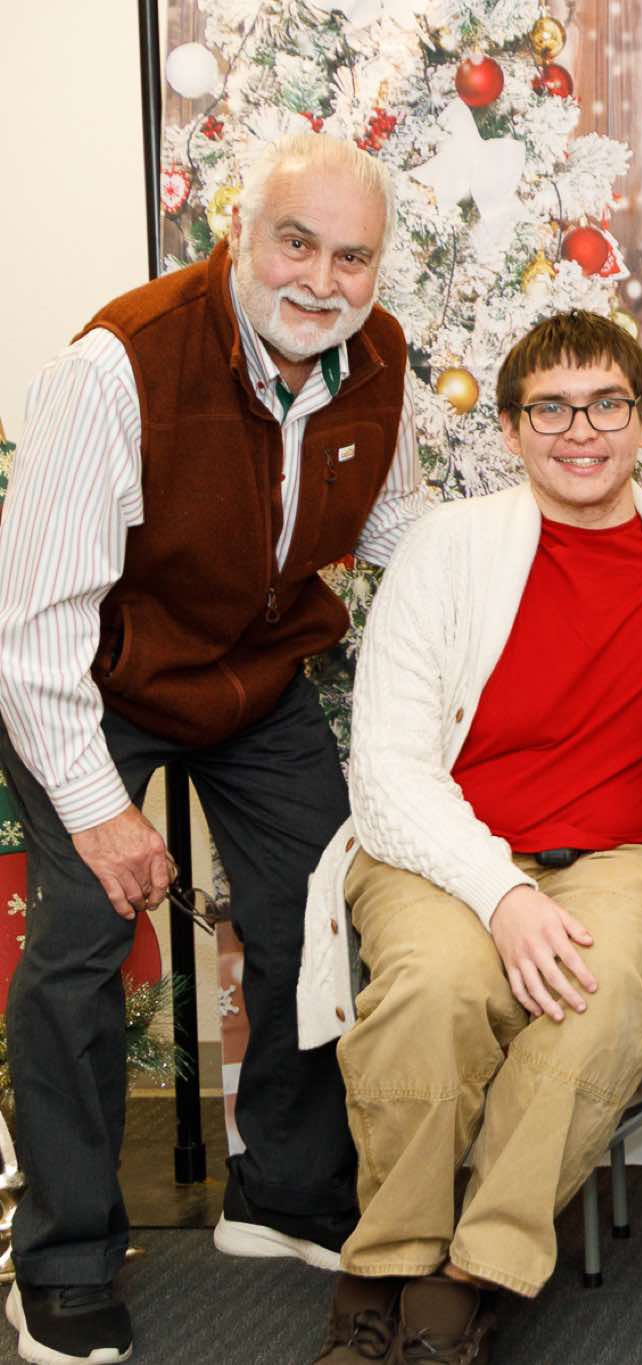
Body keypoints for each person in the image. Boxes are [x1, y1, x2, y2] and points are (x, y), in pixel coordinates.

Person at [0, 131, 423, 1364]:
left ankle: (283, 1192)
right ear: (238, 232)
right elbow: (32, 631)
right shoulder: (115, 367)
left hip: (252, 670)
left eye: (352, 257)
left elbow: (398, 530)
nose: (322, 281)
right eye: (296, 243)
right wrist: (101, 814)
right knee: (79, 947)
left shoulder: (380, 359)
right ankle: (62, 1259)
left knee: (321, 908)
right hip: (93, 674)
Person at [294, 311, 642, 1364]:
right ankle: (383, 1262)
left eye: (607, 404)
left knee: (594, 991)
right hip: (441, 848)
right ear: (512, 429)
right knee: (434, 987)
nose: (582, 431)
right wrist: (503, 894)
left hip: (626, 861)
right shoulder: (447, 548)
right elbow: (389, 765)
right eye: (551, 409)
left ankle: (469, 1274)